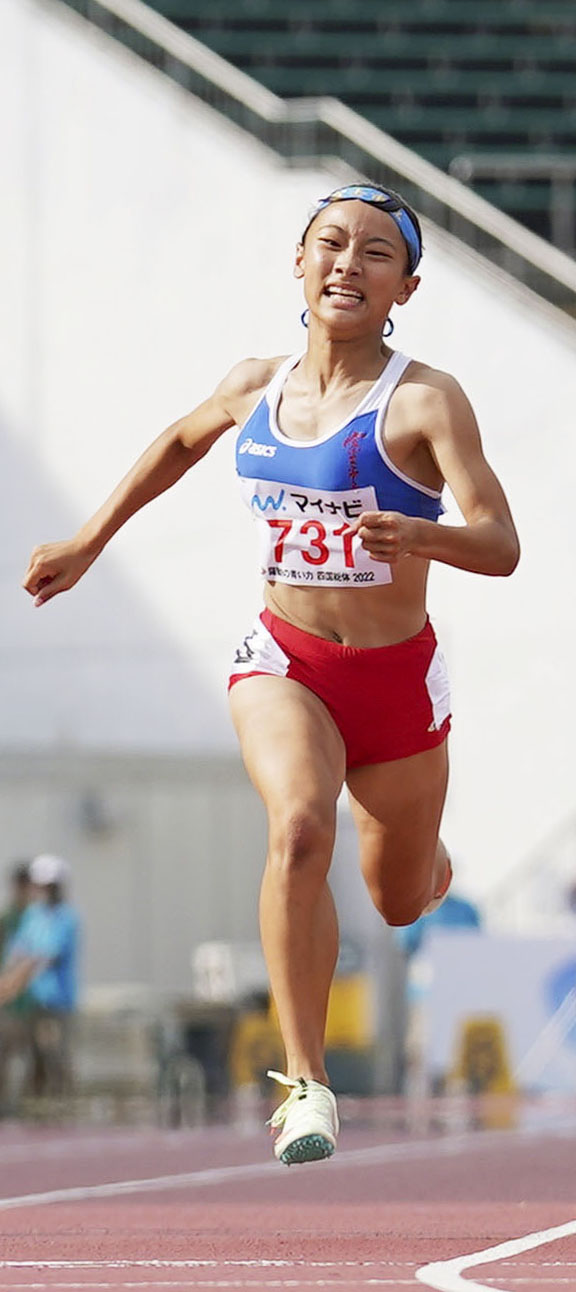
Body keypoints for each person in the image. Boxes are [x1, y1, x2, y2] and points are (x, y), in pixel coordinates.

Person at [23, 183, 520, 1164]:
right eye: (331, 243)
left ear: (404, 287)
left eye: (377, 252)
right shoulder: (256, 384)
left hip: (396, 681)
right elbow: (177, 441)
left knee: (398, 897)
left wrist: (419, 532)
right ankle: (307, 1081)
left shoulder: (424, 400)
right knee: (298, 824)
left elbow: (501, 541)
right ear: (298, 262)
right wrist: (87, 542)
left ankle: (430, 866)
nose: (349, 262)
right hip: (285, 661)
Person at [0, 854, 80, 1103]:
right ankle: (35, 1109)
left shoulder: (66, 917)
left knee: (53, 1056)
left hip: (56, 1002)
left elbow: (44, 957)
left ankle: (60, 1106)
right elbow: (19, 951)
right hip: (32, 1000)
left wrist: (11, 984)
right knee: (32, 1056)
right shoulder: (33, 916)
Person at [0, 861, 33, 1114]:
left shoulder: (39, 918)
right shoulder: (8, 917)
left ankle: (27, 1106)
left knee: (33, 1057)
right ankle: (6, 1106)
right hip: (9, 1000)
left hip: (34, 999)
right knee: (5, 1054)